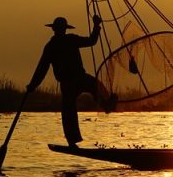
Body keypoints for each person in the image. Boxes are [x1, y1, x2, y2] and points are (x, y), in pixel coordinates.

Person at [27, 15, 116, 145]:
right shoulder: (63, 42)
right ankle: (106, 105)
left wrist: (33, 85)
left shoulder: (53, 45)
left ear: (54, 29)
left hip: (73, 80)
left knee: (70, 109)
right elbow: (91, 41)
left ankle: (72, 141)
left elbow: (42, 69)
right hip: (74, 80)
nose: (61, 30)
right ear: (61, 29)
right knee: (91, 89)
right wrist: (96, 26)